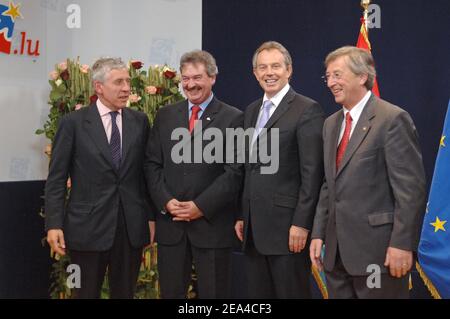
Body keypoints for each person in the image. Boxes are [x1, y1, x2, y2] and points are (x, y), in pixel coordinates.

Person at [310, 46, 426, 298]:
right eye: (328, 76)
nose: (331, 82)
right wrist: (318, 232)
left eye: (337, 75)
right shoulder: (331, 124)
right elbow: (329, 185)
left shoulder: (392, 119)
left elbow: (410, 191)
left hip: (379, 255)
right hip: (336, 257)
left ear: (362, 76)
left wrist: (402, 244)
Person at [45, 57, 155, 299]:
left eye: (127, 81)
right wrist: (54, 223)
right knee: (83, 294)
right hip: (86, 230)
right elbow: (56, 178)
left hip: (130, 229)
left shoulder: (140, 122)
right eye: (118, 82)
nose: (126, 88)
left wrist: (150, 217)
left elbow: (144, 175)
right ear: (98, 87)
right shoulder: (72, 123)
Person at [146, 50, 243, 298]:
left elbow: (235, 172)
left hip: (212, 226)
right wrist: (166, 202)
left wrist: (200, 206)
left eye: (197, 77)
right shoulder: (166, 116)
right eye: (185, 79)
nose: (190, 85)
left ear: (212, 78)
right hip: (172, 226)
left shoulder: (234, 118)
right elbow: (151, 164)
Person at [235, 41, 325, 298]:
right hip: (254, 232)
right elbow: (248, 169)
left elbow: (312, 174)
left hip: (288, 232)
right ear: (255, 73)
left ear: (289, 70)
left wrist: (302, 223)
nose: (269, 72)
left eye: (275, 66)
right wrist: (243, 214)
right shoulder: (251, 111)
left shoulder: (307, 110)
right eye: (262, 67)